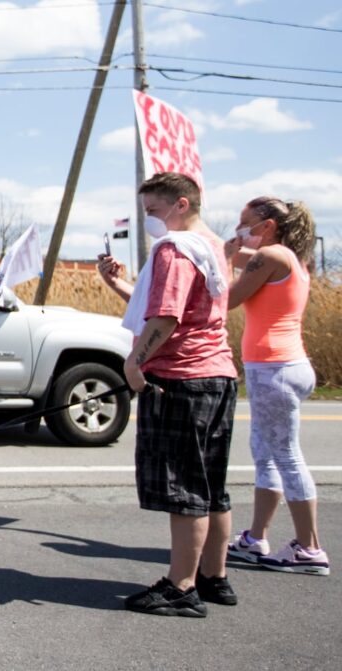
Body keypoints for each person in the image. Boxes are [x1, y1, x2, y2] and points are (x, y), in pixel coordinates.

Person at [97, 172, 238, 618]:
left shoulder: (174, 250)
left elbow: (166, 317)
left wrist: (133, 362)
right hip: (217, 373)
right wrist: (117, 285)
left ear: (181, 204)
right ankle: (213, 576)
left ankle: (181, 587)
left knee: (184, 488)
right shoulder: (213, 247)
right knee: (211, 485)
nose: (149, 221)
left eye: (153, 210)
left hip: (181, 378)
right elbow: (182, 308)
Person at [222, 197, 329, 575]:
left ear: (267, 225)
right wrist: (223, 252)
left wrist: (226, 261)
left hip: (274, 369)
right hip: (281, 366)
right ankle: (255, 538)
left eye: (246, 222)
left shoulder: (272, 256)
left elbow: (229, 298)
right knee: (266, 454)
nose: (240, 228)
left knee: (285, 456)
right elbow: (238, 258)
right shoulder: (289, 258)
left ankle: (309, 548)